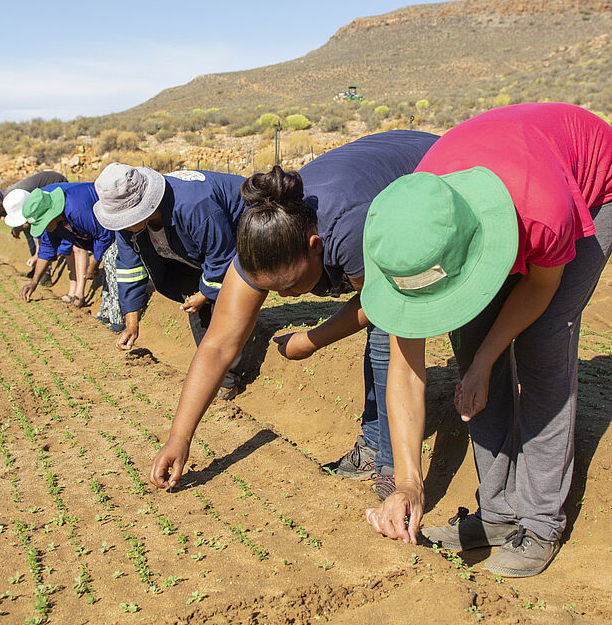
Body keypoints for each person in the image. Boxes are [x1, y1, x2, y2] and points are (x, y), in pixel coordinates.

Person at [361, 103, 612, 579]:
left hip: (589, 185)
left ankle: (540, 519)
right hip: (504, 169)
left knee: (543, 339)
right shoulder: (403, 239)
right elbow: (404, 370)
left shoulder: (542, 213)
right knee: (469, 338)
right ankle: (497, 511)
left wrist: (486, 362)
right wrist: (407, 483)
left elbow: (539, 290)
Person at [145, 130, 439, 499]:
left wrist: (309, 339)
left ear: (315, 248)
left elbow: (381, 308)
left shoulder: (348, 231)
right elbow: (218, 345)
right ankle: (377, 444)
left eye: (289, 286)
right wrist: (179, 437)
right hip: (367, 178)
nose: (282, 296)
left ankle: (393, 467)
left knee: (386, 335)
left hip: (432, 166)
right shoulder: (261, 244)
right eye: (271, 289)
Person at [93, 163, 248, 397]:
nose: (123, 225)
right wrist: (132, 323)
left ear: (144, 205)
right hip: (198, 249)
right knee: (193, 300)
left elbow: (222, 256)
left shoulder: (194, 206)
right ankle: (214, 369)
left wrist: (205, 293)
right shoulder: (126, 223)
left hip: (242, 232)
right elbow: (129, 267)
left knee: (222, 301)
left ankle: (227, 378)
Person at [17, 183, 114, 308]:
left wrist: (94, 265)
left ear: (51, 214)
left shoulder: (76, 210)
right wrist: (34, 282)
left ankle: (116, 315)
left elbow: (104, 235)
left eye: (43, 223)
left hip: (116, 226)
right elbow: (46, 249)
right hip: (102, 234)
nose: (44, 227)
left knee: (113, 263)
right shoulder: (52, 225)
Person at [0, 170, 66, 273]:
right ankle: (37, 265)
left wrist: (19, 227)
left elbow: (33, 218)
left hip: (55, 184)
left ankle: (44, 269)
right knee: (29, 230)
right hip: (38, 196)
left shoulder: (15, 198)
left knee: (39, 227)